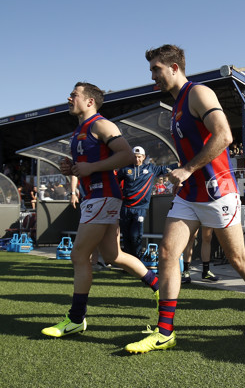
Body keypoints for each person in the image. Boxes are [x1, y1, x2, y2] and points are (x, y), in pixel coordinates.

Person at [125, 45, 245, 354]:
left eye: (156, 69)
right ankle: (165, 331)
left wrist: (187, 168)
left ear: (173, 67)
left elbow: (224, 136)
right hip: (189, 194)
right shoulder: (176, 107)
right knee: (169, 252)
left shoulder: (198, 94)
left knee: (237, 259)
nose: (152, 75)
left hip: (218, 191)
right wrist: (182, 176)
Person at [42, 82, 160, 338]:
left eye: (74, 94)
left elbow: (127, 155)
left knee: (78, 255)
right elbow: (88, 164)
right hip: (95, 197)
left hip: (103, 196)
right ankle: (161, 286)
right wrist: (72, 167)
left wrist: (90, 169)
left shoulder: (101, 124)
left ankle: (75, 319)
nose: (69, 97)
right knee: (113, 255)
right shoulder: (80, 129)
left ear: (89, 101)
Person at [116, 146, 177, 259]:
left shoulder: (150, 169)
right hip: (125, 207)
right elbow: (115, 182)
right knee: (126, 236)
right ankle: (128, 263)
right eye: (134, 157)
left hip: (140, 208)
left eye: (139, 157)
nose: (137, 159)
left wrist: (182, 164)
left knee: (136, 236)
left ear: (143, 157)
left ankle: (137, 261)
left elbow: (167, 168)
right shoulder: (125, 169)